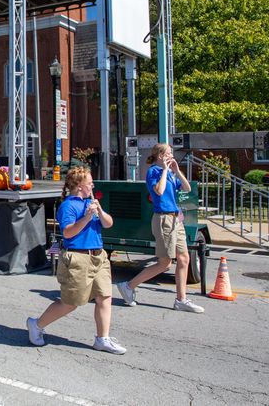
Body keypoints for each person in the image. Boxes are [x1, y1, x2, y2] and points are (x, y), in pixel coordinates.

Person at [26, 167, 125, 354]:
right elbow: (67, 232)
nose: (92, 186)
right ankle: (37, 324)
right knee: (70, 303)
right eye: (89, 183)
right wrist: (87, 217)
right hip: (78, 258)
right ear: (79, 186)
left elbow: (108, 224)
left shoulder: (91, 202)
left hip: (98, 256)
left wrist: (100, 212)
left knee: (105, 297)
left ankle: (102, 338)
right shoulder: (68, 206)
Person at [116, 143, 204, 313]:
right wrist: (164, 170)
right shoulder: (153, 172)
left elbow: (187, 188)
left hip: (175, 219)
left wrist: (177, 171)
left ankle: (181, 299)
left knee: (184, 258)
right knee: (165, 263)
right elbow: (159, 191)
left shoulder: (171, 173)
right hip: (163, 219)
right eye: (168, 153)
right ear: (160, 155)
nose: (172, 156)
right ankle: (128, 286)